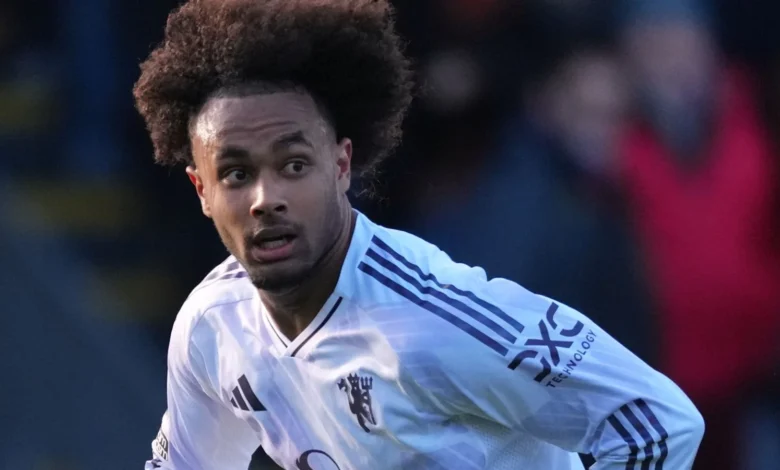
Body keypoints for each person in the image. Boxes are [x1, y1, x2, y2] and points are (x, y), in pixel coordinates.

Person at [133, 1, 704, 469]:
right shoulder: (212, 325)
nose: (266, 198)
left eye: (294, 165)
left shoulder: (435, 321)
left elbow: (657, 422)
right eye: (236, 174)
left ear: (341, 165)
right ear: (201, 190)